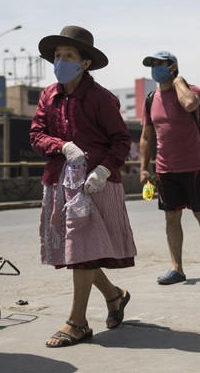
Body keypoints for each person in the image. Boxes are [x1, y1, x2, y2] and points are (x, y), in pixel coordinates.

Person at [30, 26, 137, 347]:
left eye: (69, 55)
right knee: (81, 251)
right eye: (57, 56)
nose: (61, 61)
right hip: (60, 183)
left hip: (95, 185)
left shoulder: (101, 98)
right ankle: (114, 295)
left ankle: (77, 322)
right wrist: (62, 146)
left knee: (82, 252)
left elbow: (121, 140)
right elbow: (36, 135)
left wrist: (103, 170)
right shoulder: (49, 96)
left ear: (85, 63)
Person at [139, 51, 200, 285]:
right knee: (171, 218)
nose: (155, 68)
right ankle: (177, 268)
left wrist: (178, 82)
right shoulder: (150, 99)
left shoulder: (190, 89)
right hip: (165, 169)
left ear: (172, 67)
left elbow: (190, 104)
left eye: (159, 64)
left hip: (194, 166)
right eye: (152, 64)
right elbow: (146, 137)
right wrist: (144, 168)